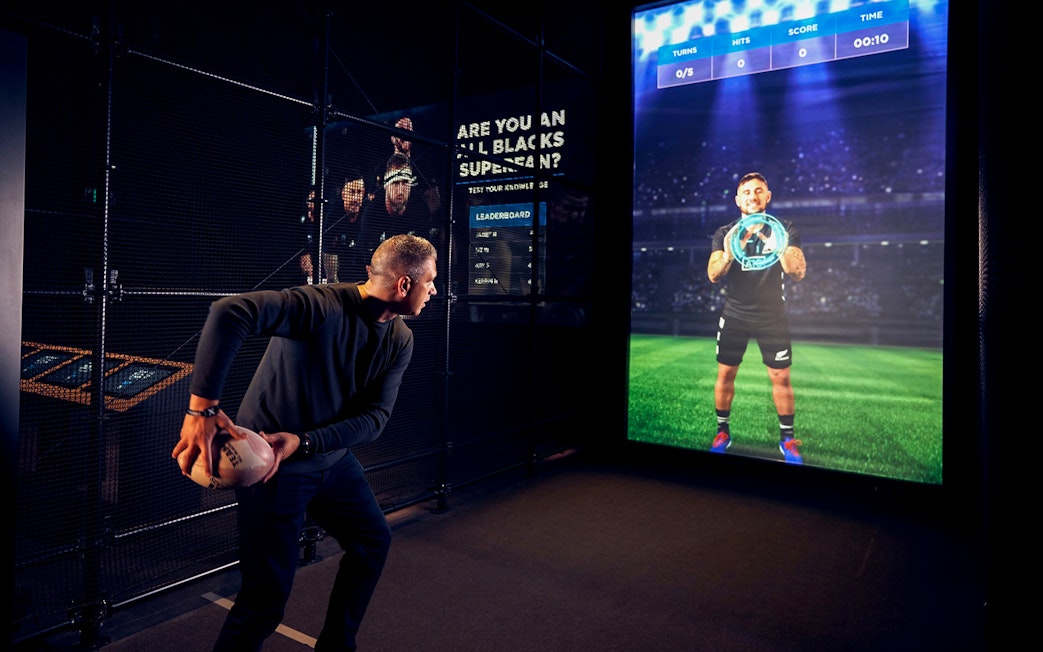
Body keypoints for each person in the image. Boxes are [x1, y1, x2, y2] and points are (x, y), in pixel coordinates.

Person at [171, 234, 438, 651]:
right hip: (272, 467)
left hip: (328, 459)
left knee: (371, 542)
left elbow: (375, 419)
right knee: (265, 598)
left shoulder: (400, 338)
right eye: (430, 282)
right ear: (405, 285)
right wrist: (201, 411)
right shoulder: (320, 305)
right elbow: (229, 312)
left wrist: (306, 441)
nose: (434, 291)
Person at [706, 172, 807, 463]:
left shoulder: (784, 228)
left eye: (759, 190)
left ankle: (787, 440)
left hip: (772, 314)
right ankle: (722, 431)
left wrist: (777, 243)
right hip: (735, 314)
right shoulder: (724, 232)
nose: (753, 196)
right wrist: (727, 254)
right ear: (738, 199)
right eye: (747, 192)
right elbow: (713, 274)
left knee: (781, 377)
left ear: (768, 195)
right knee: (726, 373)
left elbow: (797, 272)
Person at [358, 152, 430, 266]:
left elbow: (424, 255)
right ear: (386, 185)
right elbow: (368, 258)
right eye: (396, 183)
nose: (401, 190)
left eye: (405, 183)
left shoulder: (420, 209)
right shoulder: (372, 212)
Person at [300, 171, 368, 284]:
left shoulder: (368, 214)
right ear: (343, 194)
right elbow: (328, 253)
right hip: (340, 274)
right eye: (352, 192)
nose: (356, 198)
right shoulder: (332, 217)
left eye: (359, 192)